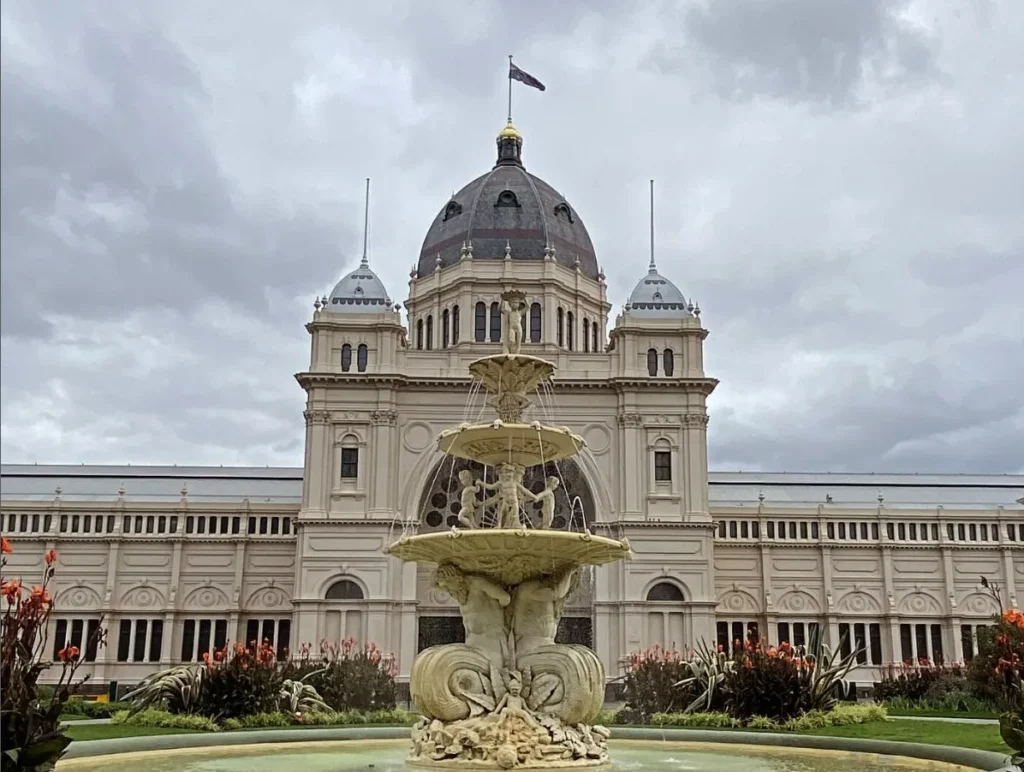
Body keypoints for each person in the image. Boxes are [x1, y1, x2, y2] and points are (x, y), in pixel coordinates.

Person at [509, 567, 580, 655]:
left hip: (544, 646)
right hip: (529, 646)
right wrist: (568, 572)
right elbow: (555, 594)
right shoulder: (527, 588)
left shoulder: (544, 589)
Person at [478, 463, 531, 529]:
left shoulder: (515, 482)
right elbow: (490, 487)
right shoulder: (501, 483)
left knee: (513, 515)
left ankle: (514, 526)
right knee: (503, 514)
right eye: (506, 472)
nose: (508, 474)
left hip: (514, 502)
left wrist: (534, 496)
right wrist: (481, 483)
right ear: (503, 474)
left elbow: (525, 490)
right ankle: (500, 526)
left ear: (514, 473)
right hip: (506, 501)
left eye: (510, 472)